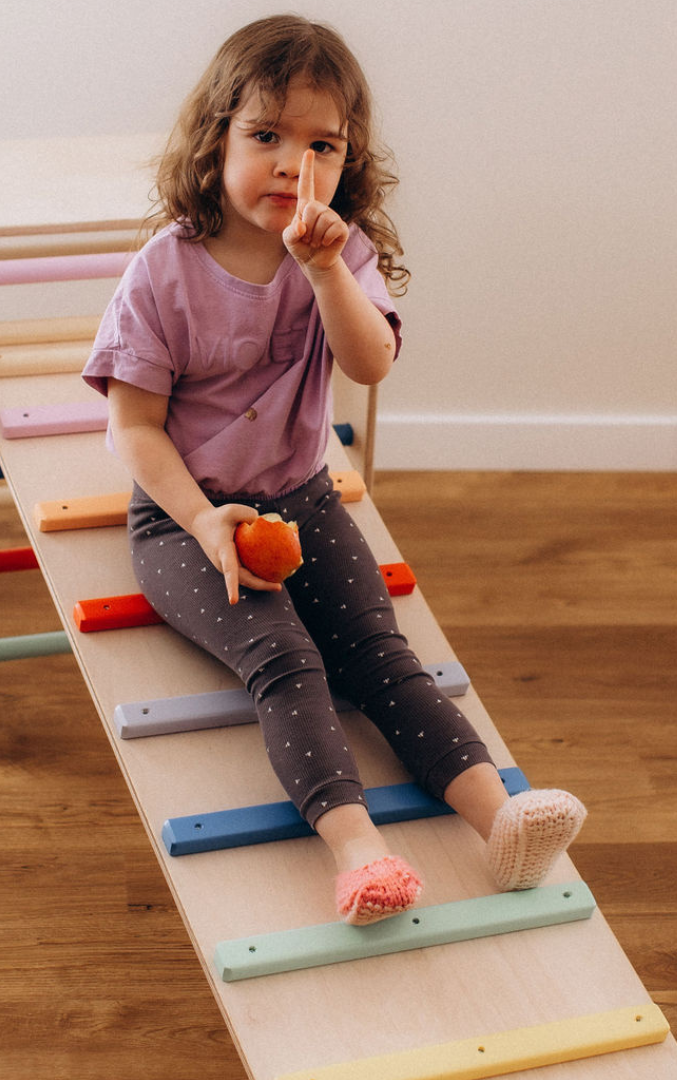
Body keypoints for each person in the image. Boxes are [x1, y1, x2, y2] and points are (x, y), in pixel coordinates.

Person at [83, 14, 585, 925]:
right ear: (214, 141)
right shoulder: (163, 272)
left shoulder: (341, 254)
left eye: (322, 144)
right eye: (264, 135)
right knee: (285, 657)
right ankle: (359, 854)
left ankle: (501, 818)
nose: (290, 164)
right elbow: (134, 428)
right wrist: (202, 520)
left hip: (303, 500)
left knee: (384, 656)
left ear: (347, 162)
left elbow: (369, 365)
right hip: (184, 521)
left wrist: (321, 273)